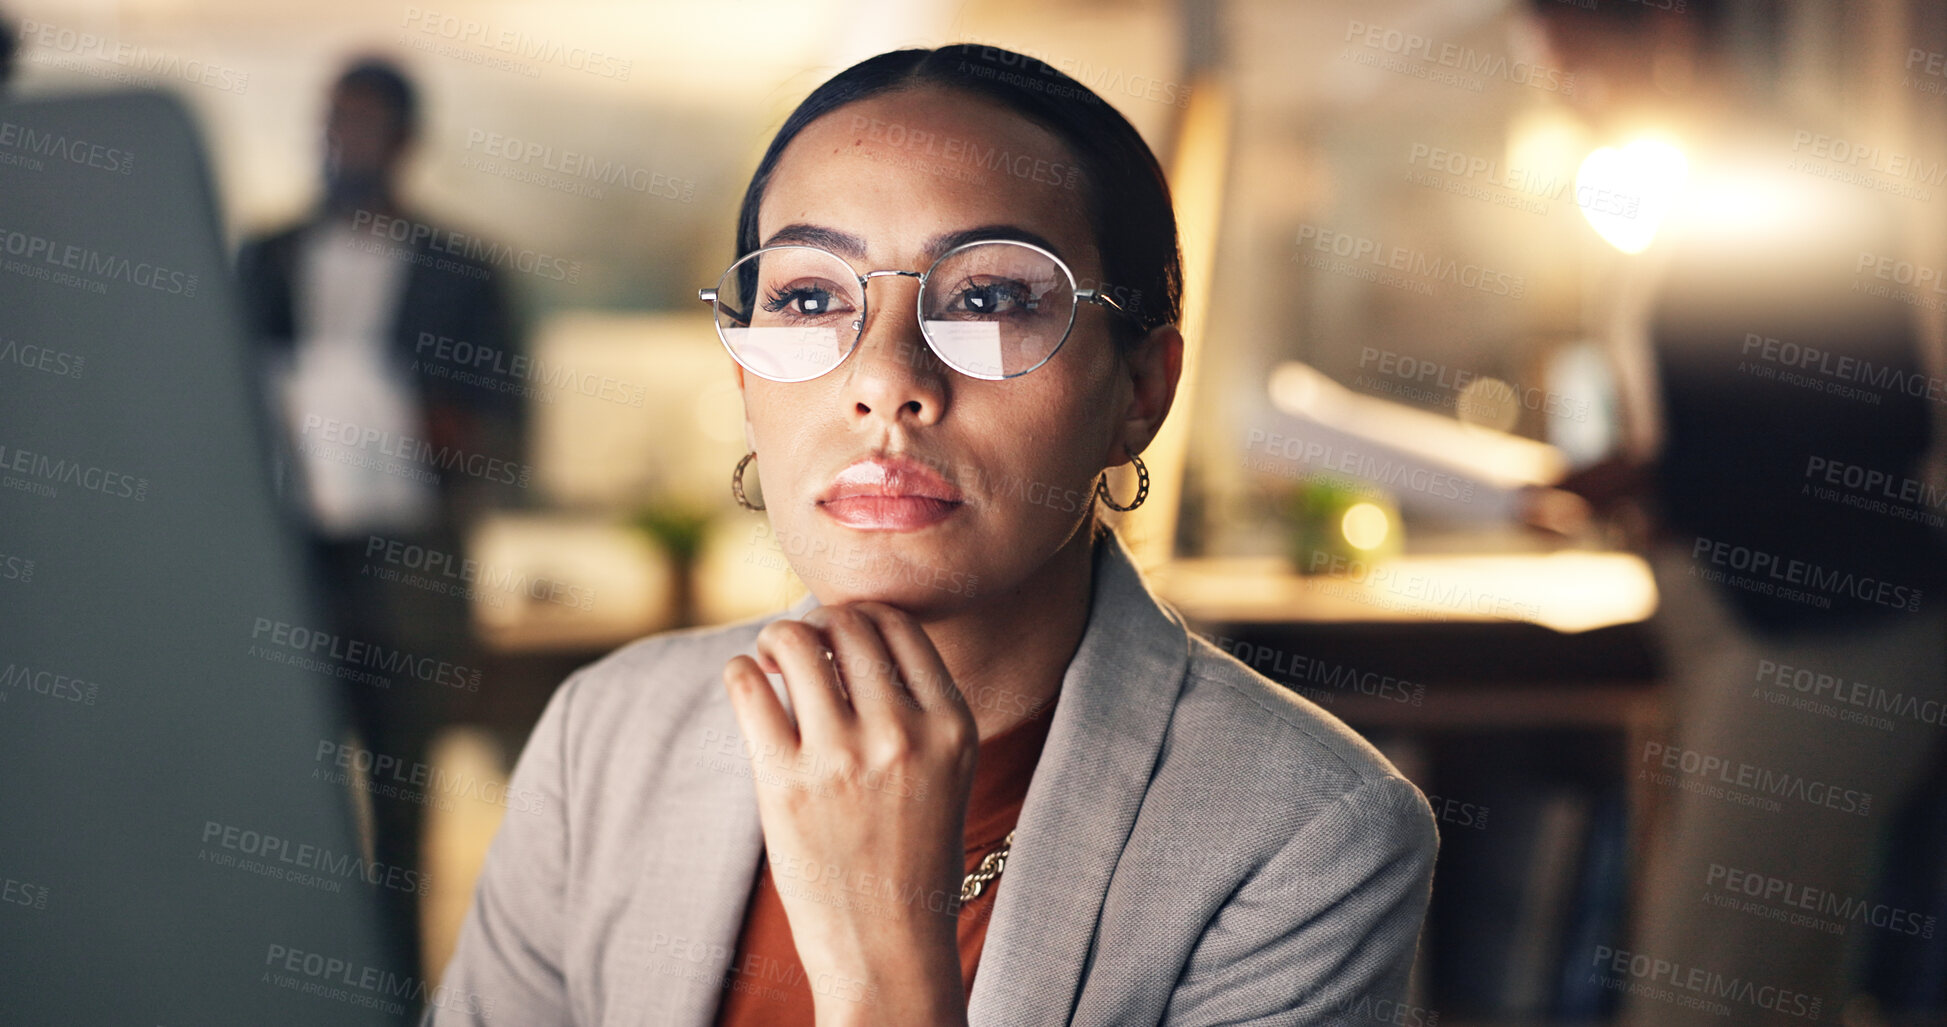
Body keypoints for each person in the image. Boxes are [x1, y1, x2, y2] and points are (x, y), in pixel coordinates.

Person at [432, 44, 1437, 1027]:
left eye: (990, 297)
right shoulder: (604, 739)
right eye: (811, 296)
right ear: (746, 380)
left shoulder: (1311, 832)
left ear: (1141, 389)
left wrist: (884, 963)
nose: (884, 380)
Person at [1522, 3, 1947, 1023]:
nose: (1571, 101)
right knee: (1771, 980)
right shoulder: (1706, 174)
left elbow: (1871, 418)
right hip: (1760, 613)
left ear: (1667, 30)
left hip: (1830, 628)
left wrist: (1664, 486)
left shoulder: (1787, 173)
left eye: (1580, 71)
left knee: (1706, 992)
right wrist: (1642, 473)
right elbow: (1749, 408)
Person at [235, 56, 525, 980]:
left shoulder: (467, 271)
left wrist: (421, 427)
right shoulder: (265, 254)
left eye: (356, 124)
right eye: (329, 123)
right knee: (279, 807)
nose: (337, 143)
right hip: (286, 566)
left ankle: (395, 994)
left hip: (411, 567)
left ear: (402, 138)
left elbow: (505, 428)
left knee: (405, 810)